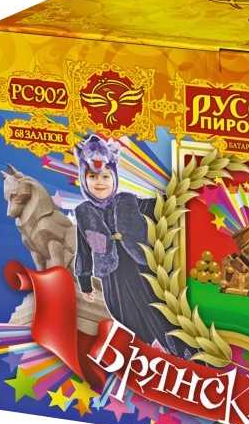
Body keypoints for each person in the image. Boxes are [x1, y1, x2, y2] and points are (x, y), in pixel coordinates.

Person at [73, 134, 191, 358]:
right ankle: (147, 356)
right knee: (127, 318)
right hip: (113, 278)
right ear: (83, 179)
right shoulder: (83, 213)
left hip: (142, 270)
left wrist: (174, 196)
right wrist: (85, 282)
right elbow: (83, 251)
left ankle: (180, 352)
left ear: (114, 178)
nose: (100, 182)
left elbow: (159, 208)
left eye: (106, 176)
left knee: (158, 312)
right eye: (92, 176)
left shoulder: (129, 201)